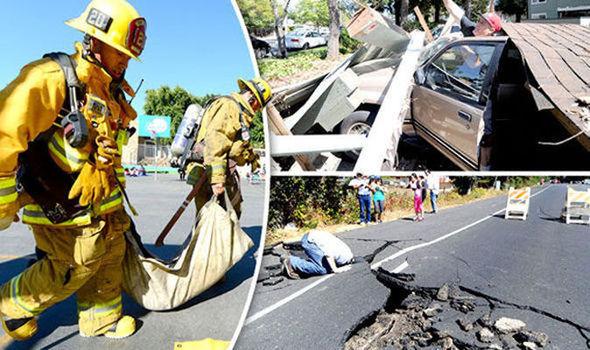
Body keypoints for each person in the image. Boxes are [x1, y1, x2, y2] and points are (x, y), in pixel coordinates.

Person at [0, 0, 146, 340]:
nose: (125, 61)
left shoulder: (110, 93)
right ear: (94, 41)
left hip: (102, 207)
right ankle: (11, 303)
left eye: (128, 55)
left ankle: (101, 319)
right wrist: (5, 201)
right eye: (118, 51)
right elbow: (5, 132)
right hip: (60, 203)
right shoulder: (51, 78)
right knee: (74, 264)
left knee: (110, 254)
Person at [186, 78, 271, 217]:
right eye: (257, 106)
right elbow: (216, 142)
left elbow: (237, 144)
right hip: (209, 173)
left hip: (217, 173)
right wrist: (217, 180)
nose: (256, 111)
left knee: (227, 215)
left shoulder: (238, 111)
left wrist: (252, 158)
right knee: (213, 221)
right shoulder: (229, 106)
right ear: (252, 98)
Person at [282, 230, 354, 279]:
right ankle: (292, 262)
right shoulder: (340, 254)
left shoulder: (347, 253)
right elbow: (328, 255)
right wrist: (336, 269)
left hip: (314, 236)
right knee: (322, 269)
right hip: (309, 241)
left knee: (326, 263)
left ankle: (295, 255)